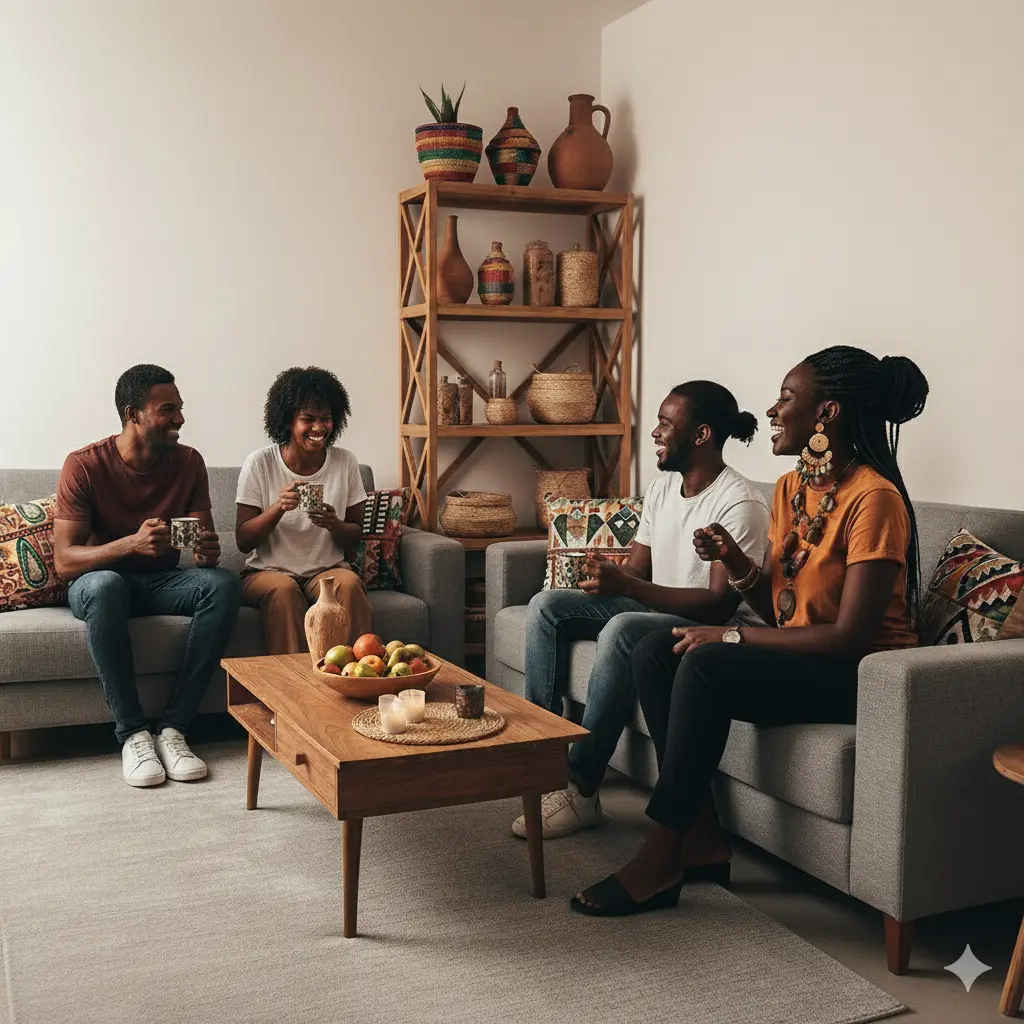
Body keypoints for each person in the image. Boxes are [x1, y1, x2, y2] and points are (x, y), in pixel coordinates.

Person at [570, 345, 929, 915]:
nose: (772, 410)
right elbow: (778, 610)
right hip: (803, 657)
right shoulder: (791, 490)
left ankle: (663, 853)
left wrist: (729, 636)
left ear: (826, 414)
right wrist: (738, 562)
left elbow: (848, 640)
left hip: (860, 679)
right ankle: (706, 839)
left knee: (707, 660)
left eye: (787, 398)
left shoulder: (875, 499)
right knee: (652, 650)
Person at [512, 381, 770, 840]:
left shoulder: (739, 502)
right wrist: (607, 578)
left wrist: (628, 587)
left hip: (711, 624)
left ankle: (582, 787)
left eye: (666, 423)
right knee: (547, 605)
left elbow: (718, 603)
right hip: (661, 605)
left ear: (701, 434)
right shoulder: (663, 488)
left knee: (624, 628)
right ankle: (540, 764)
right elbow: (637, 570)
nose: (654, 431)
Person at [54, 364, 242, 788]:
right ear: (133, 414)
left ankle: (175, 730)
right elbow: (65, 561)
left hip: (162, 582)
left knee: (224, 584)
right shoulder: (84, 465)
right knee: (106, 585)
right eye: (167, 409)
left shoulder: (189, 462)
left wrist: (207, 551)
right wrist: (129, 545)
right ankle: (133, 735)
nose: (179, 419)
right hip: (99, 582)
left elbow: (203, 545)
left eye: (180, 409)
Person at [236, 366, 372, 655]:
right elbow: (242, 539)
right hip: (267, 572)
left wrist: (335, 524)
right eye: (308, 419)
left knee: (348, 585)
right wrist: (278, 508)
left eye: (326, 419)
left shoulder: (345, 462)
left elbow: (358, 533)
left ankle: (356, 675)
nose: (318, 428)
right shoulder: (260, 463)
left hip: (326, 569)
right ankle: (295, 689)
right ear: (287, 422)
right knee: (284, 591)